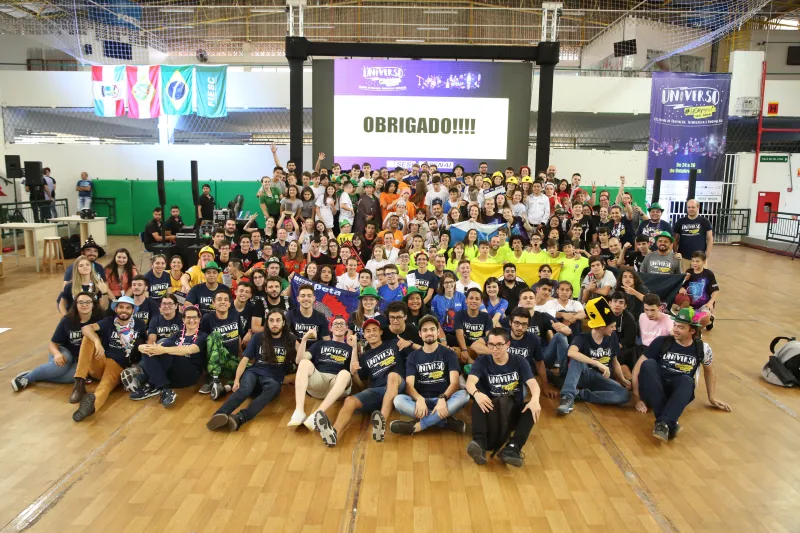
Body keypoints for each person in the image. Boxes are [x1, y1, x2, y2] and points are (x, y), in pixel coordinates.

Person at [632, 307, 730, 441]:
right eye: (675, 325)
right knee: (648, 364)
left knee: (688, 380)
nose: (675, 329)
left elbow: (709, 371)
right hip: (655, 387)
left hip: (678, 392)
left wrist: (711, 398)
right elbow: (638, 366)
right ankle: (667, 422)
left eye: (681, 327)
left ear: (692, 331)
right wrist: (636, 397)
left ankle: (664, 424)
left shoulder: (702, 348)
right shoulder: (662, 341)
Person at [207, 310, 314, 431]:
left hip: (273, 379)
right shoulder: (258, 337)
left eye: (278, 320)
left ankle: (239, 418)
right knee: (245, 389)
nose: (274, 324)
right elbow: (245, 360)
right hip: (254, 373)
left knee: (274, 387)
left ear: (283, 323)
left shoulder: (291, 338)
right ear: (267, 323)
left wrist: (304, 340)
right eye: (271, 320)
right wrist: (236, 379)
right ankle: (219, 415)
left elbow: (301, 359)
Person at [314, 318, 407, 446]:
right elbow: (362, 386)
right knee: (349, 400)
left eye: (374, 330)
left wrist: (410, 343)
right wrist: (355, 374)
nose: (372, 333)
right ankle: (333, 433)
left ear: (380, 332)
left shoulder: (393, 344)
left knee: (392, 376)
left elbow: (416, 355)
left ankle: (381, 423)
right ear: (364, 335)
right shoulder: (364, 357)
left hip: (397, 385)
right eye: (368, 331)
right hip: (376, 391)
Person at [466, 327, 541, 467]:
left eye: (499, 345)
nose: (494, 349)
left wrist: (535, 400)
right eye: (491, 345)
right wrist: (476, 394)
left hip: (512, 409)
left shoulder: (519, 361)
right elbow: (470, 382)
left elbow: (533, 383)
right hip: (490, 408)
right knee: (478, 401)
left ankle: (512, 448)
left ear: (507, 344)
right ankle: (479, 444)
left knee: (531, 408)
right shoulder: (482, 361)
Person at [70, 296, 147, 421]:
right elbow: (85, 328)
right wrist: (97, 342)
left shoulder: (140, 325)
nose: (124, 310)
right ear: (116, 309)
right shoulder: (109, 321)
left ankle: (90, 407)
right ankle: (79, 383)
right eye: (121, 307)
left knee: (105, 386)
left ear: (133, 310)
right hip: (101, 360)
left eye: (128, 308)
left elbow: (146, 342)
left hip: (117, 366)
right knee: (88, 337)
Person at [390, 315, 469, 435]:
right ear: (420, 334)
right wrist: (419, 399)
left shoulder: (449, 353)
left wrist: (443, 398)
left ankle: (418, 426)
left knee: (464, 395)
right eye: (425, 330)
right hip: (422, 401)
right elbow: (409, 386)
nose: (429, 333)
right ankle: (444, 421)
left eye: (432, 329)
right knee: (398, 400)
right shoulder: (413, 356)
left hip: (444, 399)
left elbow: (455, 383)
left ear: (438, 332)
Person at [12, 292, 103, 391]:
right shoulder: (67, 320)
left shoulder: (100, 319)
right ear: (76, 305)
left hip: (81, 358)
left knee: (75, 376)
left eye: (88, 302)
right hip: (64, 351)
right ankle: (26, 379)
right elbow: (52, 344)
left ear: (93, 304)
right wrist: (57, 354)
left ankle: (37, 374)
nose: (84, 305)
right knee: (61, 366)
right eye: (80, 302)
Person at [556, 297, 632, 415]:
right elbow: (571, 352)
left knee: (624, 395)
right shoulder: (582, 338)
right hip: (585, 374)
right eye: (612, 326)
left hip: (602, 378)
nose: (614, 329)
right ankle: (567, 397)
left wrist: (622, 379)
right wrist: (597, 363)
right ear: (602, 327)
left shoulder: (612, 337)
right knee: (577, 359)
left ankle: (580, 395)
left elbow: (614, 360)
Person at [289, 315, 356, 430]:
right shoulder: (320, 344)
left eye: (342, 324)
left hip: (336, 384)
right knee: (304, 362)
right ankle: (299, 411)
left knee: (345, 373)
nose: (339, 326)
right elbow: (299, 361)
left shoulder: (350, 348)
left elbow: (353, 371)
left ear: (346, 329)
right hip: (318, 380)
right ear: (331, 328)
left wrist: (354, 347)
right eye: (336, 324)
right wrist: (304, 339)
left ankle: (317, 414)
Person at [131, 305, 206, 406]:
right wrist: (141, 347)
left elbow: (190, 349)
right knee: (150, 351)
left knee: (167, 346)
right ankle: (165, 389)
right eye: (188, 317)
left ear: (199, 319)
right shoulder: (178, 334)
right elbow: (157, 347)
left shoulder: (202, 336)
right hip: (171, 377)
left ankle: (151, 384)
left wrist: (163, 350)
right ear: (183, 320)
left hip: (189, 374)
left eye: (194, 317)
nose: (191, 320)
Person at [454, 288, 494, 362]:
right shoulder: (459, 315)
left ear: (481, 302)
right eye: (471, 298)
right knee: (456, 353)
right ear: (466, 300)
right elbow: (459, 334)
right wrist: (464, 350)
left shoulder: (486, 316)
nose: (474, 301)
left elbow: (489, 336)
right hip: (465, 347)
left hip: (480, 348)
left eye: (477, 299)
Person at [673, 199, 714, 270]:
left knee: (699, 277)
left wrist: (706, 255)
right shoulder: (680, 221)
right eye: (688, 207)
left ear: (698, 207)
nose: (690, 209)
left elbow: (710, 239)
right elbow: (675, 239)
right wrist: (675, 252)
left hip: (699, 258)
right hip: (683, 258)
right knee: (684, 276)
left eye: (693, 207)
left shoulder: (705, 221)